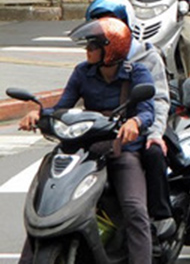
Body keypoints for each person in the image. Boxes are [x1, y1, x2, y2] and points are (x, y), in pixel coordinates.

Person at [19, 18, 156, 264]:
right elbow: (62, 107)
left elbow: (147, 111)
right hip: (85, 151)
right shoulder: (82, 72)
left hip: (120, 151)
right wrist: (38, 114)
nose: (87, 51)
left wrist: (134, 123)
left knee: (135, 208)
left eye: (93, 46)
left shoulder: (136, 73)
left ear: (111, 49)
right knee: (48, 206)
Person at [84, 0, 174, 236]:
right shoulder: (93, 59)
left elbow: (159, 100)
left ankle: (160, 219)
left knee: (154, 153)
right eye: (99, 23)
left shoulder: (147, 57)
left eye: (112, 21)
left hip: (144, 125)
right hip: (105, 131)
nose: (106, 29)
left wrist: (154, 133)